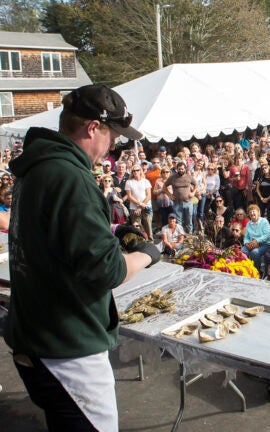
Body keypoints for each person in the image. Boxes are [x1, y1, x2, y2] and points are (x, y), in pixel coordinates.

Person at [5, 84, 159, 431]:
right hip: (67, 348)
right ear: (93, 128)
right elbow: (108, 270)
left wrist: (109, 231)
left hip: (35, 334)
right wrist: (146, 255)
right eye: (114, 138)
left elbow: (53, 235)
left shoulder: (38, 166)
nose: (113, 150)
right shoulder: (70, 177)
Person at [164, 160, 197, 234]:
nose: (181, 170)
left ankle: (190, 236)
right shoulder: (172, 177)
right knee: (179, 221)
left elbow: (196, 184)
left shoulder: (189, 177)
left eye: (182, 169)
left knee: (189, 220)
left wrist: (193, 193)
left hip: (188, 202)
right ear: (177, 169)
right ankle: (181, 236)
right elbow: (164, 186)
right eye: (179, 169)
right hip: (177, 203)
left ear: (185, 169)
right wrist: (170, 195)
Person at [241, 205, 270, 271]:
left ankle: (257, 271)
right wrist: (246, 243)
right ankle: (246, 269)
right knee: (243, 251)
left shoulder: (264, 221)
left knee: (254, 252)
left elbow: (268, 235)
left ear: (258, 212)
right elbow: (246, 236)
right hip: (252, 243)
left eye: (253, 211)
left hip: (265, 244)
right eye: (250, 212)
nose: (252, 213)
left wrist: (257, 241)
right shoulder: (248, 224)